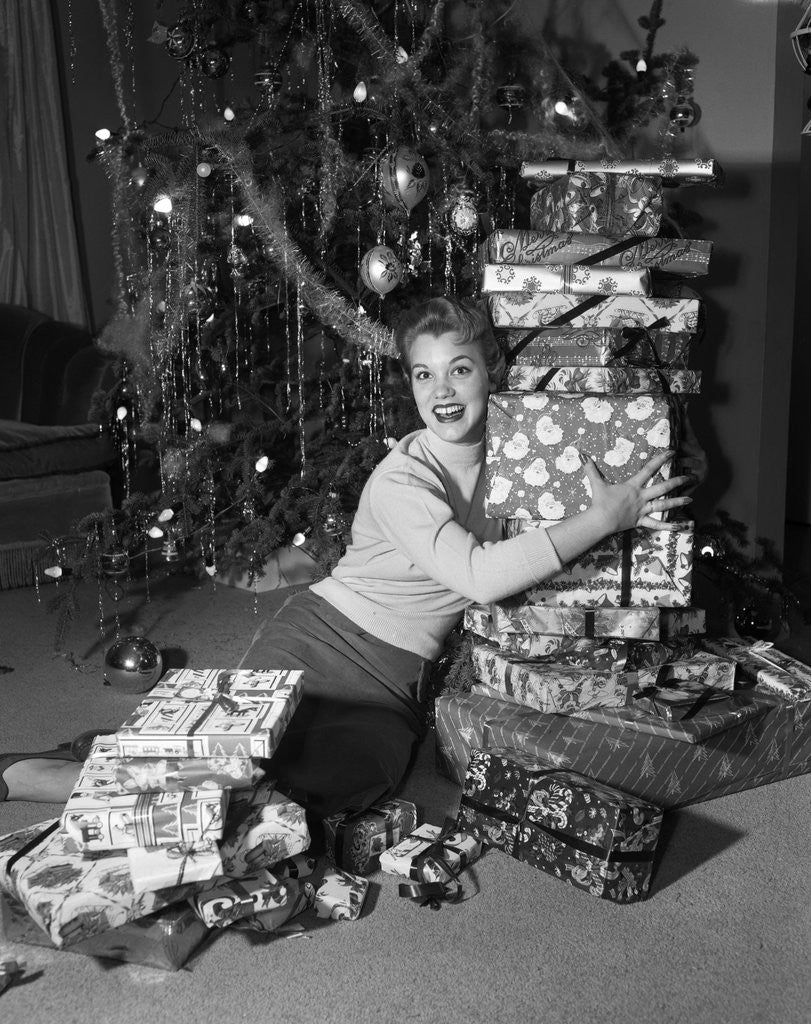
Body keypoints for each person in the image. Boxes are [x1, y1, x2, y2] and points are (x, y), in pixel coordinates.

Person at [0, 297, 695, 819]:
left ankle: (159, 780)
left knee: (345, 785)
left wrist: (631, 495)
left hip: (392, 680)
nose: (442, 392)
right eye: (424, 375)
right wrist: (603, 519)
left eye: (459, 369)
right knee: (229, 765)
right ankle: (51, 773)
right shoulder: (402, 479)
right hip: (318, 638)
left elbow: (583, 491)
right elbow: (481, 576)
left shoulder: (522, 457)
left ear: (492, 371)